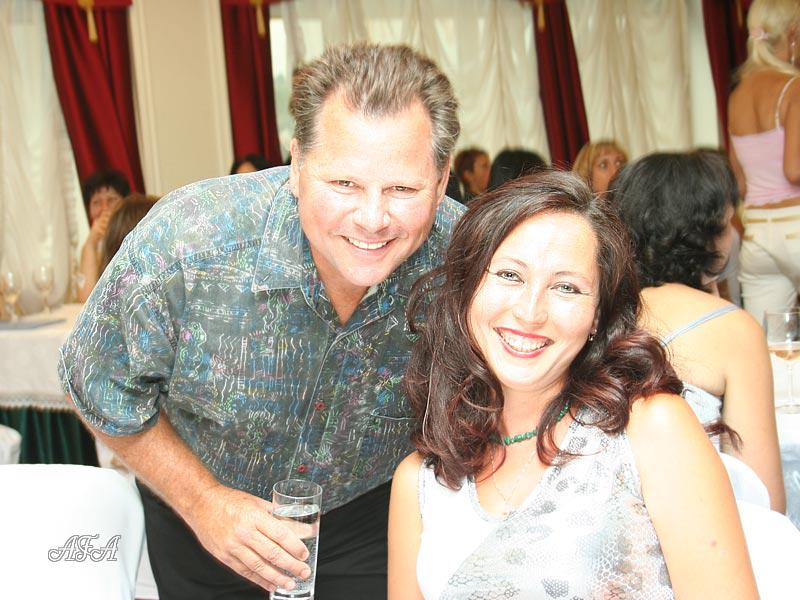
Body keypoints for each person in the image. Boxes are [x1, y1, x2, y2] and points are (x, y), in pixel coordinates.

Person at [59, 42, 463, 600]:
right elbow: (96, 382)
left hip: (370, 522)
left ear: (441, 181)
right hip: (203, 518)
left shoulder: (468, 261)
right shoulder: (189, 243)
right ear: (297, 166)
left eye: (402, 189)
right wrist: (203, 502)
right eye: (344, 184)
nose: (372, 219)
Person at [388, 171, 757, 598]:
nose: (530, 313)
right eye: (509, 275)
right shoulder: (420, 483)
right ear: (468, 288)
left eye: (566, 287)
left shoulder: (650, 429)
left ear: (598, 315)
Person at [611, 151, 785, 512]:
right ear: (706, 234)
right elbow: (763, 499)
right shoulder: (731, 328)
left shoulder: (598, 308)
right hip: (701, 523)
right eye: (728, 220)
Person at [728, 0, 800, 324]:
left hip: (758, 235)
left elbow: (740, 184)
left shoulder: (737, 94)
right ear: (793, 34)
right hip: (796, 223)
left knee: (766, 341)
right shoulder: (793, 88)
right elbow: (794, 169)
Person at [76, 169, 130, 302]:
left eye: (111, 200)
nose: (105, 208)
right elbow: (85, 300)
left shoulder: (133, 237)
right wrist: (91, 243)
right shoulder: (92, 245)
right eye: (96, 202)